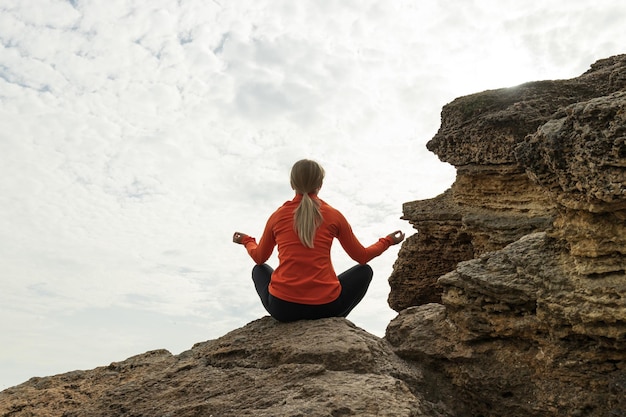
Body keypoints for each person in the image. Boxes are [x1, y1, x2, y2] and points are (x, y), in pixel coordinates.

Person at [233, 159, 405, 322]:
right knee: (365, 271)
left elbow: (259, 257)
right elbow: (362, 256)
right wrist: (387, 241)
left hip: (283, 309)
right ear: (320, 185)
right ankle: (334, 320)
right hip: (326, 308)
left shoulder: (277, 216)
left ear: (292, 184)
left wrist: (247, 240)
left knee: (259, 269)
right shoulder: (333, 215)